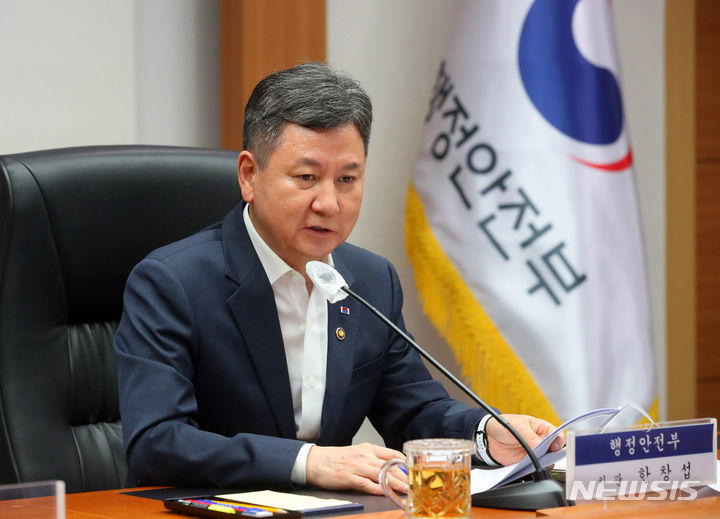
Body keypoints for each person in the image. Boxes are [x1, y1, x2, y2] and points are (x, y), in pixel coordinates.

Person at [114, 62, 563, 495]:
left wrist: (486, 434)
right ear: (250, 176)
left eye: (347, 179)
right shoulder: (172, 284)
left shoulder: (370, 280)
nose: (328, 203)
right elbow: (157, 442)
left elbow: (413, 410)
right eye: (307, 177)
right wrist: (307, 462)